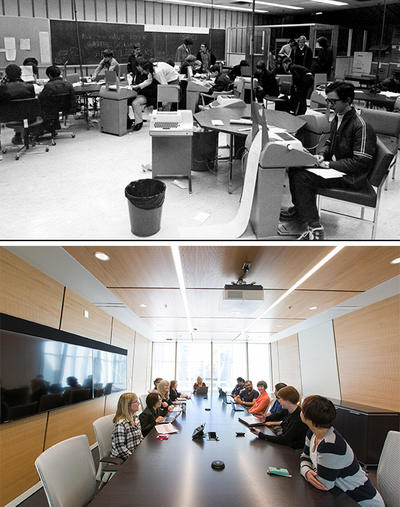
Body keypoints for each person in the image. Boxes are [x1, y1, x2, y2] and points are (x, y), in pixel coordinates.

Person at [279, 81, 377, 240]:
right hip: (337, 169)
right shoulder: (338, 118)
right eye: (328, 101)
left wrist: (329, 164)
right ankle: (300, 210)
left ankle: (314, 227)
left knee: (302, 177)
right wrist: (322, 155)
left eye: (333, 101)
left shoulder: (361, 126)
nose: (329, 105)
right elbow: (330, 142)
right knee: (295, 168)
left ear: (347, 101)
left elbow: (360, 163)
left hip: (352, 177)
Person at [300, 396, 384, 506]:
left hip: (359, 501)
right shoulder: (312, 433)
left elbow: (324, 484)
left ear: (308, 418)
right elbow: (304, 457)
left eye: (302, 409)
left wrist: (305, 471)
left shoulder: (331, 445)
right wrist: (306, 470)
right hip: (340, 496)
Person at [0, 64, 35, 146]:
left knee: (13, 110)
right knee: (22, 110)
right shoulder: (29, 87)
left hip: (8, 117)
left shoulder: (2, 88)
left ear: (6, 75)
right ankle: (23, 136)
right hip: (28, 116)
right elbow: (32, 103)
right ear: (20, 74)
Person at [38, 65, 76, 134]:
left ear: (49, 75)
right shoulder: (68, 84)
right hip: (66, 108)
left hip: (52, 109)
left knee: (37, 107)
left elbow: (41, 98)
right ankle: (54, 126)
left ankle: (43, 130)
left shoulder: (49, 86)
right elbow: (73, 97)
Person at [111, 392, 143, 460]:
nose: (139, 403)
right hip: (124, 460)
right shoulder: (121, 424)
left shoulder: (135, 418)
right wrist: (134, 459)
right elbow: (121, 448)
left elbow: (140, 438)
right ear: (127, 405)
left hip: (136, 454)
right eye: (136, 401)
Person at [128, 58, 158, 131]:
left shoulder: (150, 74)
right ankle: (127, 121)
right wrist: (133, 86)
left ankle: (138, 123)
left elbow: (151, 87)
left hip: (148, 96)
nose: (137, 68)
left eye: (138, 67)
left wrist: (137, 87)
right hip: (138, 93)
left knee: (135, 103)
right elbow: (134, 83)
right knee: (124, 100)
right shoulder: (137, 73)